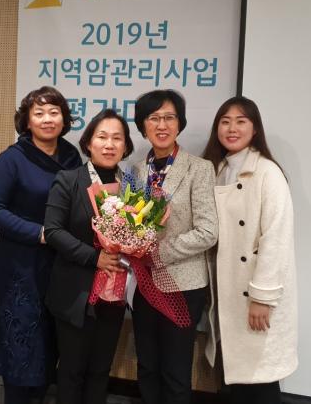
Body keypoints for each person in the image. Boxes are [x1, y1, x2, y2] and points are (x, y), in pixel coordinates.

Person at [0, 86, 82, 404]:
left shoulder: (72, 158)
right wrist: (39, 233)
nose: (47, 119)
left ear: (64, 119)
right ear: (26, 121)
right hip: (20, 265)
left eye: (54, 112)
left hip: (59, 263)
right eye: (39, 113)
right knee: (21, 342)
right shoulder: (12, 158)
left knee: (50, 341)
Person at [202, 96, 298, 404]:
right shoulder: (219, 170)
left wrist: (262, 297)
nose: (232, 128)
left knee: (261, 378)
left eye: (241, 121)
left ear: (255, 129)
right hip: (229, 288)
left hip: (254, 293)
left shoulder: (268, 172)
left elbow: (276, 239)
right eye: (225, 122)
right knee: (240, 379)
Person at [130, 89, 218, 404]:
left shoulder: (199, 168)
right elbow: (132, 225)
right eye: (154, 118)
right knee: (147, 365)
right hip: (143, 285)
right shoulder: (135, 171)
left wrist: (159, 253)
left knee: (176, 370)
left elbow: (208, 232)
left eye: (169, 117)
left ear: (180, 123)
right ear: (142, 125)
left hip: (184, 284)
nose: (162, 124)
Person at [44, 109, 135, 404]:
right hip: (75, 293)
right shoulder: (69, 179)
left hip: (115, 294)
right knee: (72, 371)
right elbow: (53, 231)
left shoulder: (132, 186)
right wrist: (93, 257)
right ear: (88, 143)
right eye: (102, 137)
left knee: (100, 370)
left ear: (126, 146)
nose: (109, 144)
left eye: (117, 138)